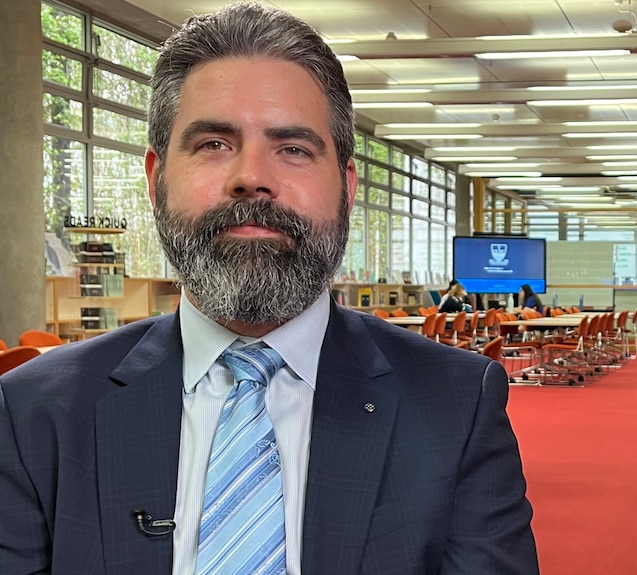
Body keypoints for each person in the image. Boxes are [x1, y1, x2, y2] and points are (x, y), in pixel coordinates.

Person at [0, 4, 538, 574]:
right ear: (156, 180)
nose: (252, 176)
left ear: (347, 189)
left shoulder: (456, 406)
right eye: (213, 143)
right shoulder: (34, 413)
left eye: (294, 149)